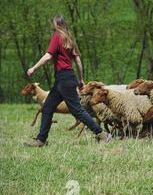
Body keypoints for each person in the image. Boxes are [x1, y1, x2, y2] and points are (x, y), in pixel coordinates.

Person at [24, 15, 111, 147]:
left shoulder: (57, 36)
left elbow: (48, 56)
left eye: (53, 23)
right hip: (66, 79)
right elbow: (78, 61)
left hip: (64, 80)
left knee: (77, 110)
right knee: (47, 108)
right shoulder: (70, 39)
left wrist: (34, 68)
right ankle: (41, 140)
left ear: (56, 24)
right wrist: (80, 79)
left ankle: (103, 134)